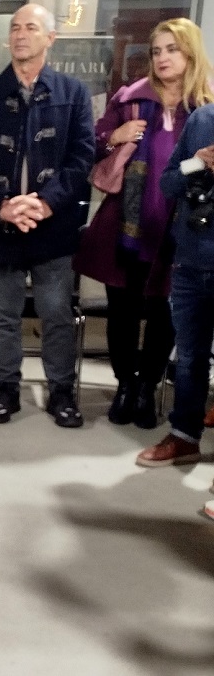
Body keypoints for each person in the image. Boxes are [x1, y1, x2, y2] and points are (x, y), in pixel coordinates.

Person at [0, 3, 94, 428]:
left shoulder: (73, 94)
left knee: (56, 314)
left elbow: (82, 156)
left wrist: (46, 202)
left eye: (30, 27)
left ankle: (61, 392)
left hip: (53, 225)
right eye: (15, 27)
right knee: (4, 315)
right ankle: (6, 390)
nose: (20, 34)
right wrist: (2, 204)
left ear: (50, 38)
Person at [76, 18, 214, 436]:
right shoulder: (130, 99)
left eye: (171, 49)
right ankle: (125, 385)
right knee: (122, 309)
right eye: (156, 51)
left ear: (190, 52)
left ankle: (147, 387)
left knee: (164, 314)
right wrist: (115, 136)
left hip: (184, 227)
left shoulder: (206, 108)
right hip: (127, 223)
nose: (162, 58)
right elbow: (90, 145)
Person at [135, 30, 214, 468]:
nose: (162, 57)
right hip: (190, 259)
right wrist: (198, 162)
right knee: (188, 358)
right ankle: (184, 436)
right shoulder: (203, 119)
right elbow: (167, 183)